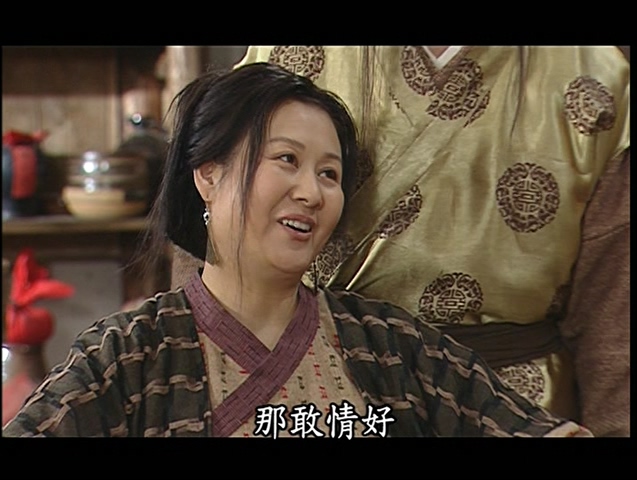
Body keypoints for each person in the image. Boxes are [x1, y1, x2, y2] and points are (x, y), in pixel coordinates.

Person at [2, 62, 590, 437]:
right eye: (287, 159)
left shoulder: (389, 346)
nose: (312, 192)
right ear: (208, 175)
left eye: (330, 174)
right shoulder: (130, 354)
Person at [173, 46, 630, 436]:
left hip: (516, 405)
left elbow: (614, 324)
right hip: (319, 389)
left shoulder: (595, 77)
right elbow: (219, 232)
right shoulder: (291, 53)